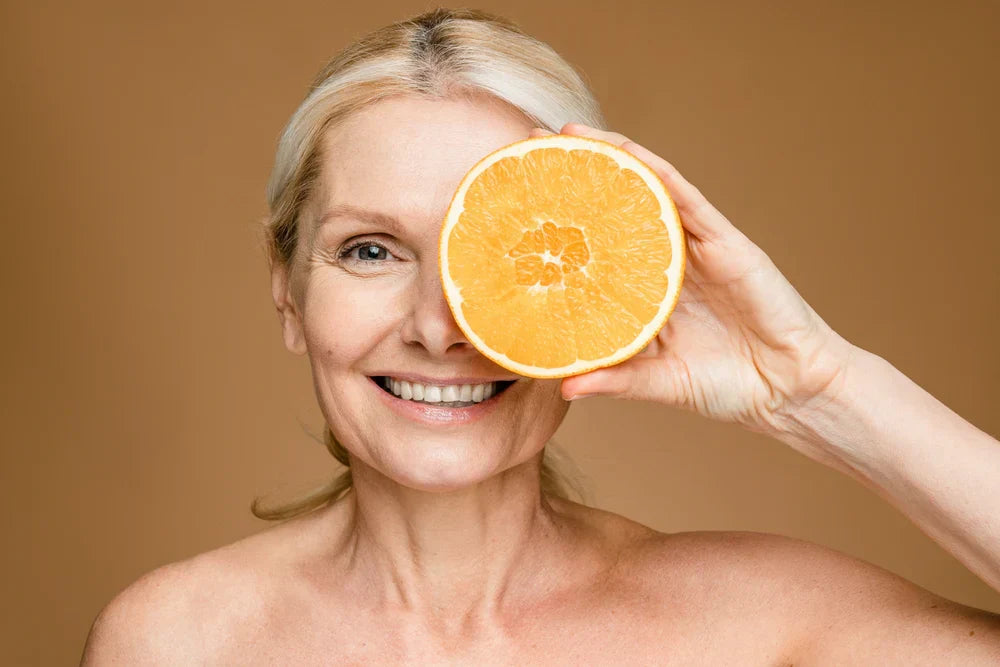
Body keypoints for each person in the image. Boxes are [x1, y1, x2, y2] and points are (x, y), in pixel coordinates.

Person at [81, 7, 1000, 664]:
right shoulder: (175, 640)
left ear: (596, 285)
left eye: (507, 258)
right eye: (371, 249)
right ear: (289, 291)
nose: (439, 326)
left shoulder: (757, 627)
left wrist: (817, 388)